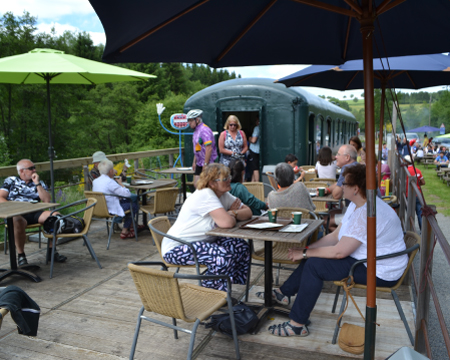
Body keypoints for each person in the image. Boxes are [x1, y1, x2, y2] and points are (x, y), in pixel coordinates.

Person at [264, 164, 407, 337]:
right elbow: (335, 236)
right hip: (370, 259)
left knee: (314, 265)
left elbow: (339, 252)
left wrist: (304, 253)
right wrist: (307, 248)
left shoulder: (367, 212)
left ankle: (297, 324)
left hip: (381, 270)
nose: (341, 187)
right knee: (313, 257)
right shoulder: (358, 204)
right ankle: (283, 293)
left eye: (344, 184)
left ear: (355, 188)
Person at [161, 163, 252, 291]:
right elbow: (227, 223)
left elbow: (248, 211)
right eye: (225, 179)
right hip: (177, 247)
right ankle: (210, 292)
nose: (229, 180)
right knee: (222, 257)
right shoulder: (205, 194)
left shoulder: (223, 195)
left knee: (240, 246)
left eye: (229, 177)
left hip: (201, 242)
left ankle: (231, 289)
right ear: (212, 183)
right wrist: (229, 217)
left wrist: (232, 213)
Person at [0, 159, 67, 266]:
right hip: (16, 213)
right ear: (22, 171)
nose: (34, 170)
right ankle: (21, 256)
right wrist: (13, 208)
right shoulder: (11, 181)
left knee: (55, 217)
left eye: (34, 167)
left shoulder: (39, 182)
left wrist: (37, 183)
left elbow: (46, 200)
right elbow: (0, 197)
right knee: (18, 221)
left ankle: (51, 251)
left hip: (35, 212)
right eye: (31, 168)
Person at [92, 159, 139, 239]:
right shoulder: (110, 182)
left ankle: (131, 226)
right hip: (111, 209)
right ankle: (125, 230)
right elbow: (127, 194)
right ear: (110, 171)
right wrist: (121, 184)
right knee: (133, 204)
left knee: (128, 202)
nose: (114, 171)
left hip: (100, 208)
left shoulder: (95, 181)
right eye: (113, 169)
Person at [187, 109, 218, 188]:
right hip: (199, 162)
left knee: (206, 185)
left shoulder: (204, 130)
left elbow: (209, 148)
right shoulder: (196, 131)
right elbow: (197, 148)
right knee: (197, 184)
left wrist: (206, 164)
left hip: (208, 162)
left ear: (197, 120)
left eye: (190, 120)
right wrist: (194, 161)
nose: (189, 123)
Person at [404, 155, 425, 230]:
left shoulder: (405, 171)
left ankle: (411, 230)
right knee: (420, 213)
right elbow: (423, 182)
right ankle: (422, 230)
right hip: (418, 194)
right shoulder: (417, 170)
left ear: (406, 162)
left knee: (410, 214)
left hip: (408, 194)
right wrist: (417, 184)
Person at [248, 116, 261, 182]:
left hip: (254, 151)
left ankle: (257, 185)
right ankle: (252, 182)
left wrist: (249, 138)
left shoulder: (257, 128)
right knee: (254, 168)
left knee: (255, 168)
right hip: (258, 151)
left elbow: (253, 140)